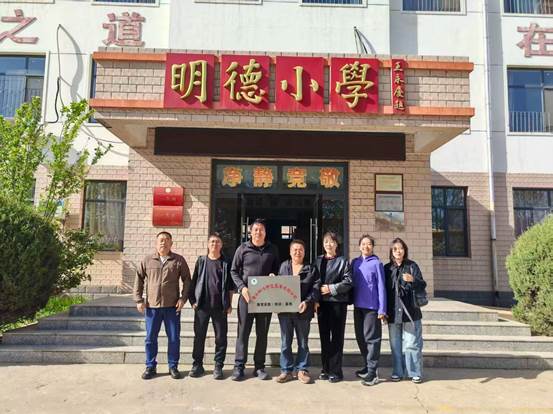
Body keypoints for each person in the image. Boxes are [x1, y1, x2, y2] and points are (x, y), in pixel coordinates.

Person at [133, 231, 191, 380]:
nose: (163, 242)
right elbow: (139, 279)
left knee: (174, 338)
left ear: (171, 243)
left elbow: (187, 280)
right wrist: (139, 300)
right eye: (161, 240)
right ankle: (150, 366)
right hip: (152, 307)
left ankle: (173, 366)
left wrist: (183, 299)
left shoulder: (178, 260)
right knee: (150, 338)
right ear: (156, 243)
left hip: (172, 307)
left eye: (166, 240)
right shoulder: (147, 260)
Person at [230, 218, 280, 381]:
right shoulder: (242, 249)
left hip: (264, 298)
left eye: (261, 230)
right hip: (246, 297)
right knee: (243, 333)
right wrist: (241, 287)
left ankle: (259, 367)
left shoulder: (272, 249)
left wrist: (274, 275)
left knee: (262, 334)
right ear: (250, 232)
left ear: (265, 232)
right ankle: (239, 367)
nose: (258, 232)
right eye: (255, 229)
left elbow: (277, 270)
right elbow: (233, 271)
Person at [188, 233, 234, 380]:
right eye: (212, 242)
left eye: (217, 242)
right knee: (199, 337)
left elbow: (230, 287)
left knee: (221, 338)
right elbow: (193, 282)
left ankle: (218, 366)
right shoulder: (201, 261)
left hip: (220, 307)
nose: (215, 244)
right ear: (208, 244)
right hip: (202, 306)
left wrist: (229, 304)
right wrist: (192, 301)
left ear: (221, 245)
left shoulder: (226, 263)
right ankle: (197, 365)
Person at [276, 239, 321, 384]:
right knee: (285, 342)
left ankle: (302, 370)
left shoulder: (311, 268)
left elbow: (315, 288)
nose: (297, 252)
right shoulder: (284, 266)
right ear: (290, 252)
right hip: (285, 311)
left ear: (304, 252)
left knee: (303, 342)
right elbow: (278, 286)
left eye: (300, 249)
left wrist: (307, 302)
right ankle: (286, 370)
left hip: (303, 311)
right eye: (295, 249)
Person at [384, 237, 427, 384]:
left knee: (411, 344)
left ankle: (414, 372)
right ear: (391, 251)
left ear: (405, 250)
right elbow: (383, 291)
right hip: (393, 312)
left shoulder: (412, 266)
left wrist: (413, 280)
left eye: (401, 248)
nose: (398, 251)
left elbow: (423, 284)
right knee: (395, 345)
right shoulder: (387, 268)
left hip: (411, 312)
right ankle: (397, 372)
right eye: (395, 249)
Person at [314, 231, 352, 383]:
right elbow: (314, 280)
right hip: (322, 304)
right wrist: (315, 299)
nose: (328, 244)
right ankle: (325, 369)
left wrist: (330, 288)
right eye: (326, 242)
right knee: (324, 337)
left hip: (337, 303)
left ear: (336, 244)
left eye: (331, 241)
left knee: (336, 338)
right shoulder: (318, 261)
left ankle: (336, 371)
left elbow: (348, 282)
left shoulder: (343, 261)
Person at [351, 234, 386, 386]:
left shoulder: (377, 263)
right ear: (359, 246)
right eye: (363, 244)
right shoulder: (355, 262)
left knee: (372, 339)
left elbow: (381, 287)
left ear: (372, 247)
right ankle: (367, 366)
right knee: (360, 337)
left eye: (369, 244)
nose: (366, 246)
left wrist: (382, 309)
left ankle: (373, 372)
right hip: (357, 306)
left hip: (372, 307)